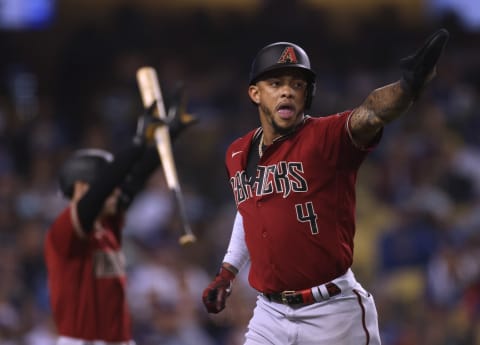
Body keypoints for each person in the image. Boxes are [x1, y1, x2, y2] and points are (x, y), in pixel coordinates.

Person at [202, 29, 449, 344]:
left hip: (334, 313)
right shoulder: (236, 153)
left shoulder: (327, 137)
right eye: (276, 83)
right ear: (255, 94)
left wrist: (406, 88)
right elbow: (249, 211)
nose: (287, 92)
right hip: (270, 313)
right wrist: (227, 272)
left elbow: (372, 112)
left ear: (308, 93)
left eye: (297, 84)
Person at [44, 98, 196, 345]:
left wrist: (166, 139)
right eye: (110, 187)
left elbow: (135, 179)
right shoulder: (66, 230)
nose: (117, 192)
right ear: (82, 188)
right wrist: (137, 143)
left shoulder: (108, 223)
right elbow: (108, 186)